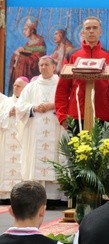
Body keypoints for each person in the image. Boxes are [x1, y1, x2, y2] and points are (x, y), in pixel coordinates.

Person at [54, 16, 109, 130]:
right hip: (75, 116)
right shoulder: (71, 56)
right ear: (83, 32)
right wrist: (62, 116)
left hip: (101, 117)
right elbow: (62, 89)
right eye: (88, 28)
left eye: (95, 28)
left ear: (100, 31)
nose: (91, 31)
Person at [15, 56, 63, 200]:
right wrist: (34, 107)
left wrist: (52, 105)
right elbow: (20, 106)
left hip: (56, 127)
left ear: (54, 67)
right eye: (41, 65)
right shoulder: (32, 86)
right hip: (36, 130)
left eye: (46, 64)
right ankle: (37, 196)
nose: (43, 67)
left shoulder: (61, 84)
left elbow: (69, 101)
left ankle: (55, 197)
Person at [0, 76, 29, 200]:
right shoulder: (6, 101)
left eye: (19, 86)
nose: (15, 88)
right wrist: (8, 113)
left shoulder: (28, 101)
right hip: (7, 139)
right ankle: (6, 194)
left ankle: (21, 194)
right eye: (14, 85)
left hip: (22, 139)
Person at [8, 16, 47, 95]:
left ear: (32, 30)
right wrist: (17, 54)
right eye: (23, 29)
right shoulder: (28, 43)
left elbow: (37, 60)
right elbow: (20, 55)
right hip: (21, 74)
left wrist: (21, 56)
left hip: (30, 75)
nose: (24, 31)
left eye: (25, 29)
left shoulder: (40, 43)